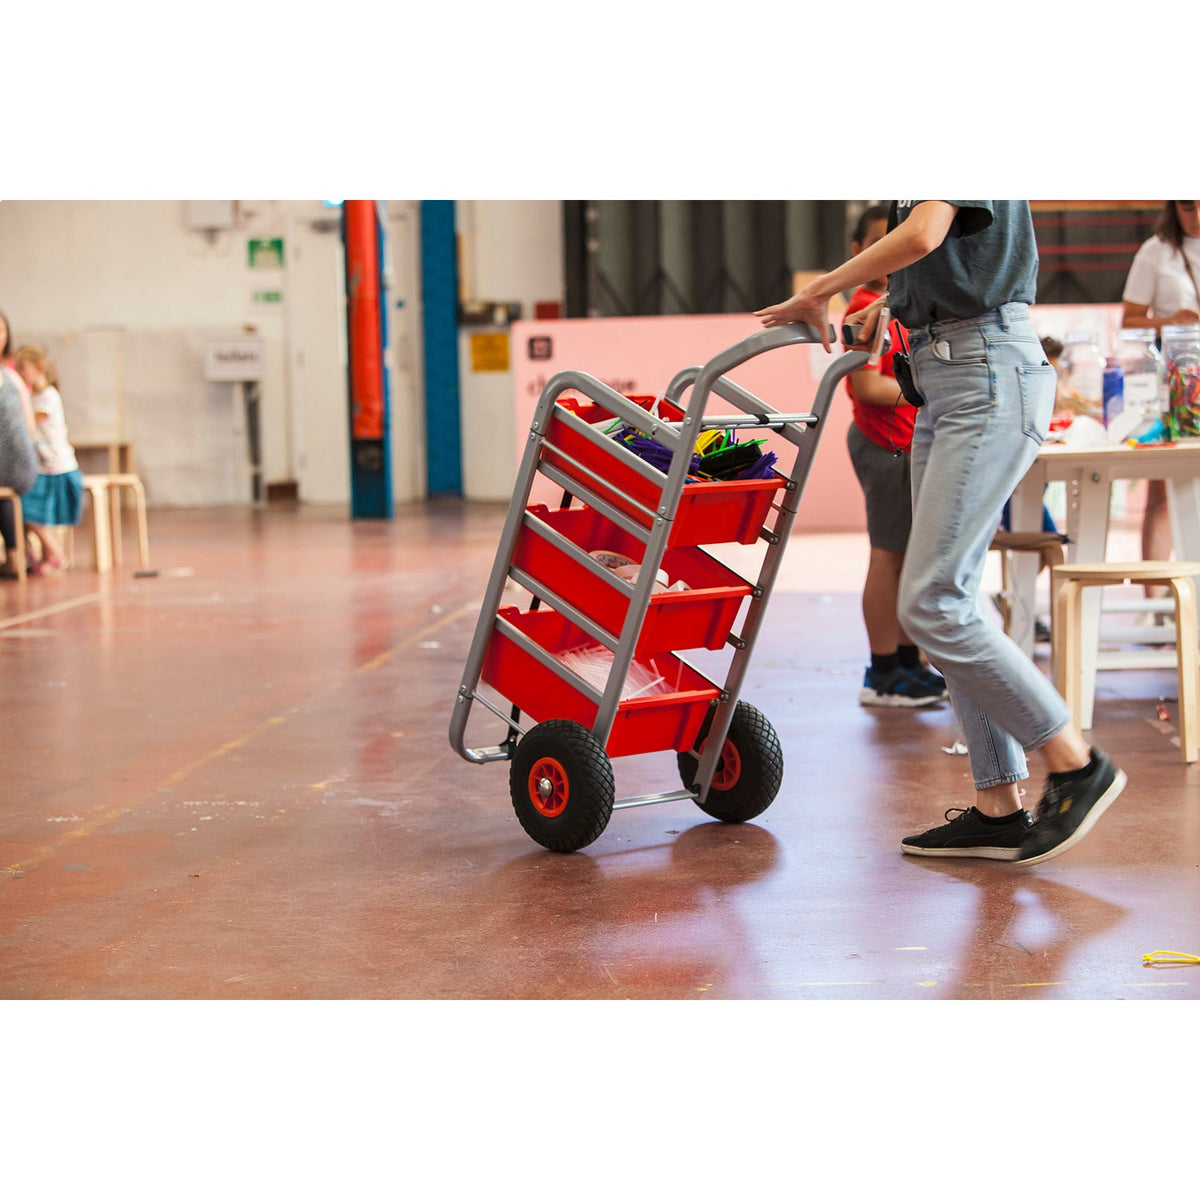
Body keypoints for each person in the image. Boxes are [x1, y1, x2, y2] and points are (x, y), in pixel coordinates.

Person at [755, 201, 1126, 867]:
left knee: (931, 600)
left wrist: (822, 287)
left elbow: (926, 231)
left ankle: (1075, 763)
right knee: (944, 599)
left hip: (983, 373)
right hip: (944, 376)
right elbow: (956, 251)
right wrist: (898, 301)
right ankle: (998, 806)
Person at [842, 205, 947, 707]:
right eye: (882, 242)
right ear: (859, 252)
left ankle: (908, 662)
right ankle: (882, 672)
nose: (894, 251)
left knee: (907, 559)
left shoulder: (904, 302)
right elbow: (868, 385)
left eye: (900, 239)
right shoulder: (864, 306)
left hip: (908, 443)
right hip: (885, 446)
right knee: (888, 557)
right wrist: (931, 391)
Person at [1121, 200, 1200, 604]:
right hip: (1178, 382)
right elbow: (1130, 318)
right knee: (1162, 486)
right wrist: (1168, 323)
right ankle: (1155, 601)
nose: (1197, 216)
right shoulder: (1156, 250)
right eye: (1188, 207)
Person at [11, 344, 84, 575]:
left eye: (22, 368)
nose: (20, 374)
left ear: (39, 368)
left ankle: (54, 551)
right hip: (41, 468)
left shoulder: (47, 397)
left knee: (27, 510)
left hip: (56, 468)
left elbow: (27, 426)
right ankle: (39, 553)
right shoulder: (32, 397)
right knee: (23, 509)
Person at [0, 309, 39, 575]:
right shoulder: (11, 373)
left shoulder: (9, 373)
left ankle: (15, 557)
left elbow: (28, 427)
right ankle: (17, 555)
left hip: (16, 463)